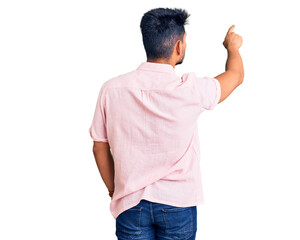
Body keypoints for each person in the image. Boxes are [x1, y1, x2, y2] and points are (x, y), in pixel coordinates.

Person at [89, 7, 244, 240]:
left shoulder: (111, 89)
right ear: (179, 46)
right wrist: (232, 47)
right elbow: (236, 75)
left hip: (130, 205)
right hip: (178, 203)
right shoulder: (191, 90)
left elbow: (99, 146)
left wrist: (115, 190)